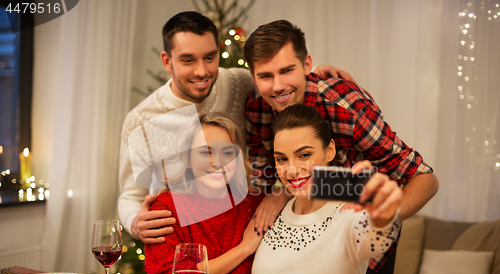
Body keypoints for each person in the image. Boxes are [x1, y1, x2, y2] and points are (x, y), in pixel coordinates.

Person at [243, 20, 438, 274]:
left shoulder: (345, 105)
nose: (278, 85)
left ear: (307, 64)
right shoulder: (256, 108)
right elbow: (272, 172)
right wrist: (279, 193)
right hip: (302, 236)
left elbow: (424, 177)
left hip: (362, 237)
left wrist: (382, 213)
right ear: (253, 78)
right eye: (265, 76)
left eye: (287, 70)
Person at [118, 11, 353, 244]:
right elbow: (130, 195)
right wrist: (134, 223)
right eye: (188, 60)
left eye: (210, 58)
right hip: (182, 237)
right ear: (167, 61)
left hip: (245, 224)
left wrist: (315, 75)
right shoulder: (140, 120)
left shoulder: (237, 82)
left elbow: (278, 78)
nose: (202, 71)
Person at [246, 104, 402, 274]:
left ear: (330, 150)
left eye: (304, 155)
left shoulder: (349, 215)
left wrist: (385, 211)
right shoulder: (272, 214)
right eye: (282, 159)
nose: (291, 169)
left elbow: (377, 238)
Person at [141, 112, 264, 274]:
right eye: (205, 152)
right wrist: (244, 249)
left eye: (227, 153)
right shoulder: (167, 207)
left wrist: (279, 196)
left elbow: (300, 192)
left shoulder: (251, 202)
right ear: (187, 159)